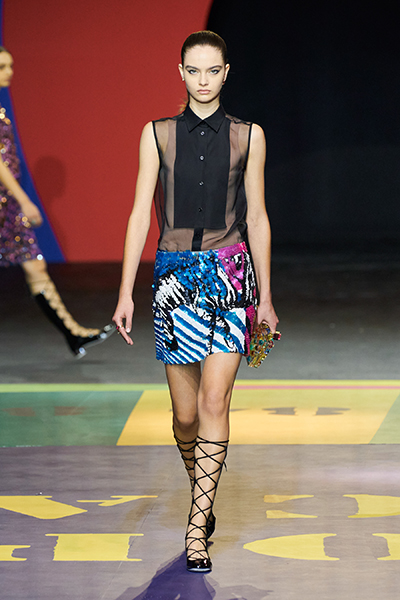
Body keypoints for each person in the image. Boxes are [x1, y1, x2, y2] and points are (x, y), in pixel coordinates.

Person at [113, 31, 279, 573]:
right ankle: (201, 491)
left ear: (226, 72)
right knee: (185, 417)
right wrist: (125, 291)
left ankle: (196, 526)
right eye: (194, 70)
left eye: (212, 70)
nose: (203, 80)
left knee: (214, 402)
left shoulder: (249, 136)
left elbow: (257, 217)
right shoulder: (156, 135)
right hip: (173, 279)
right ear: (180, 72)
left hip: (230, 275)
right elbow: (140, 214)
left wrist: (266, 298)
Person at [0, 46, 114, 357]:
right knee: (34, 265)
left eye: (10, 65)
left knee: (35, 265)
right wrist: (24, 200)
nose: (9, 72)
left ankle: (73, 333)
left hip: (7, 207)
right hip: (7, 204)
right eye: (2, 67)